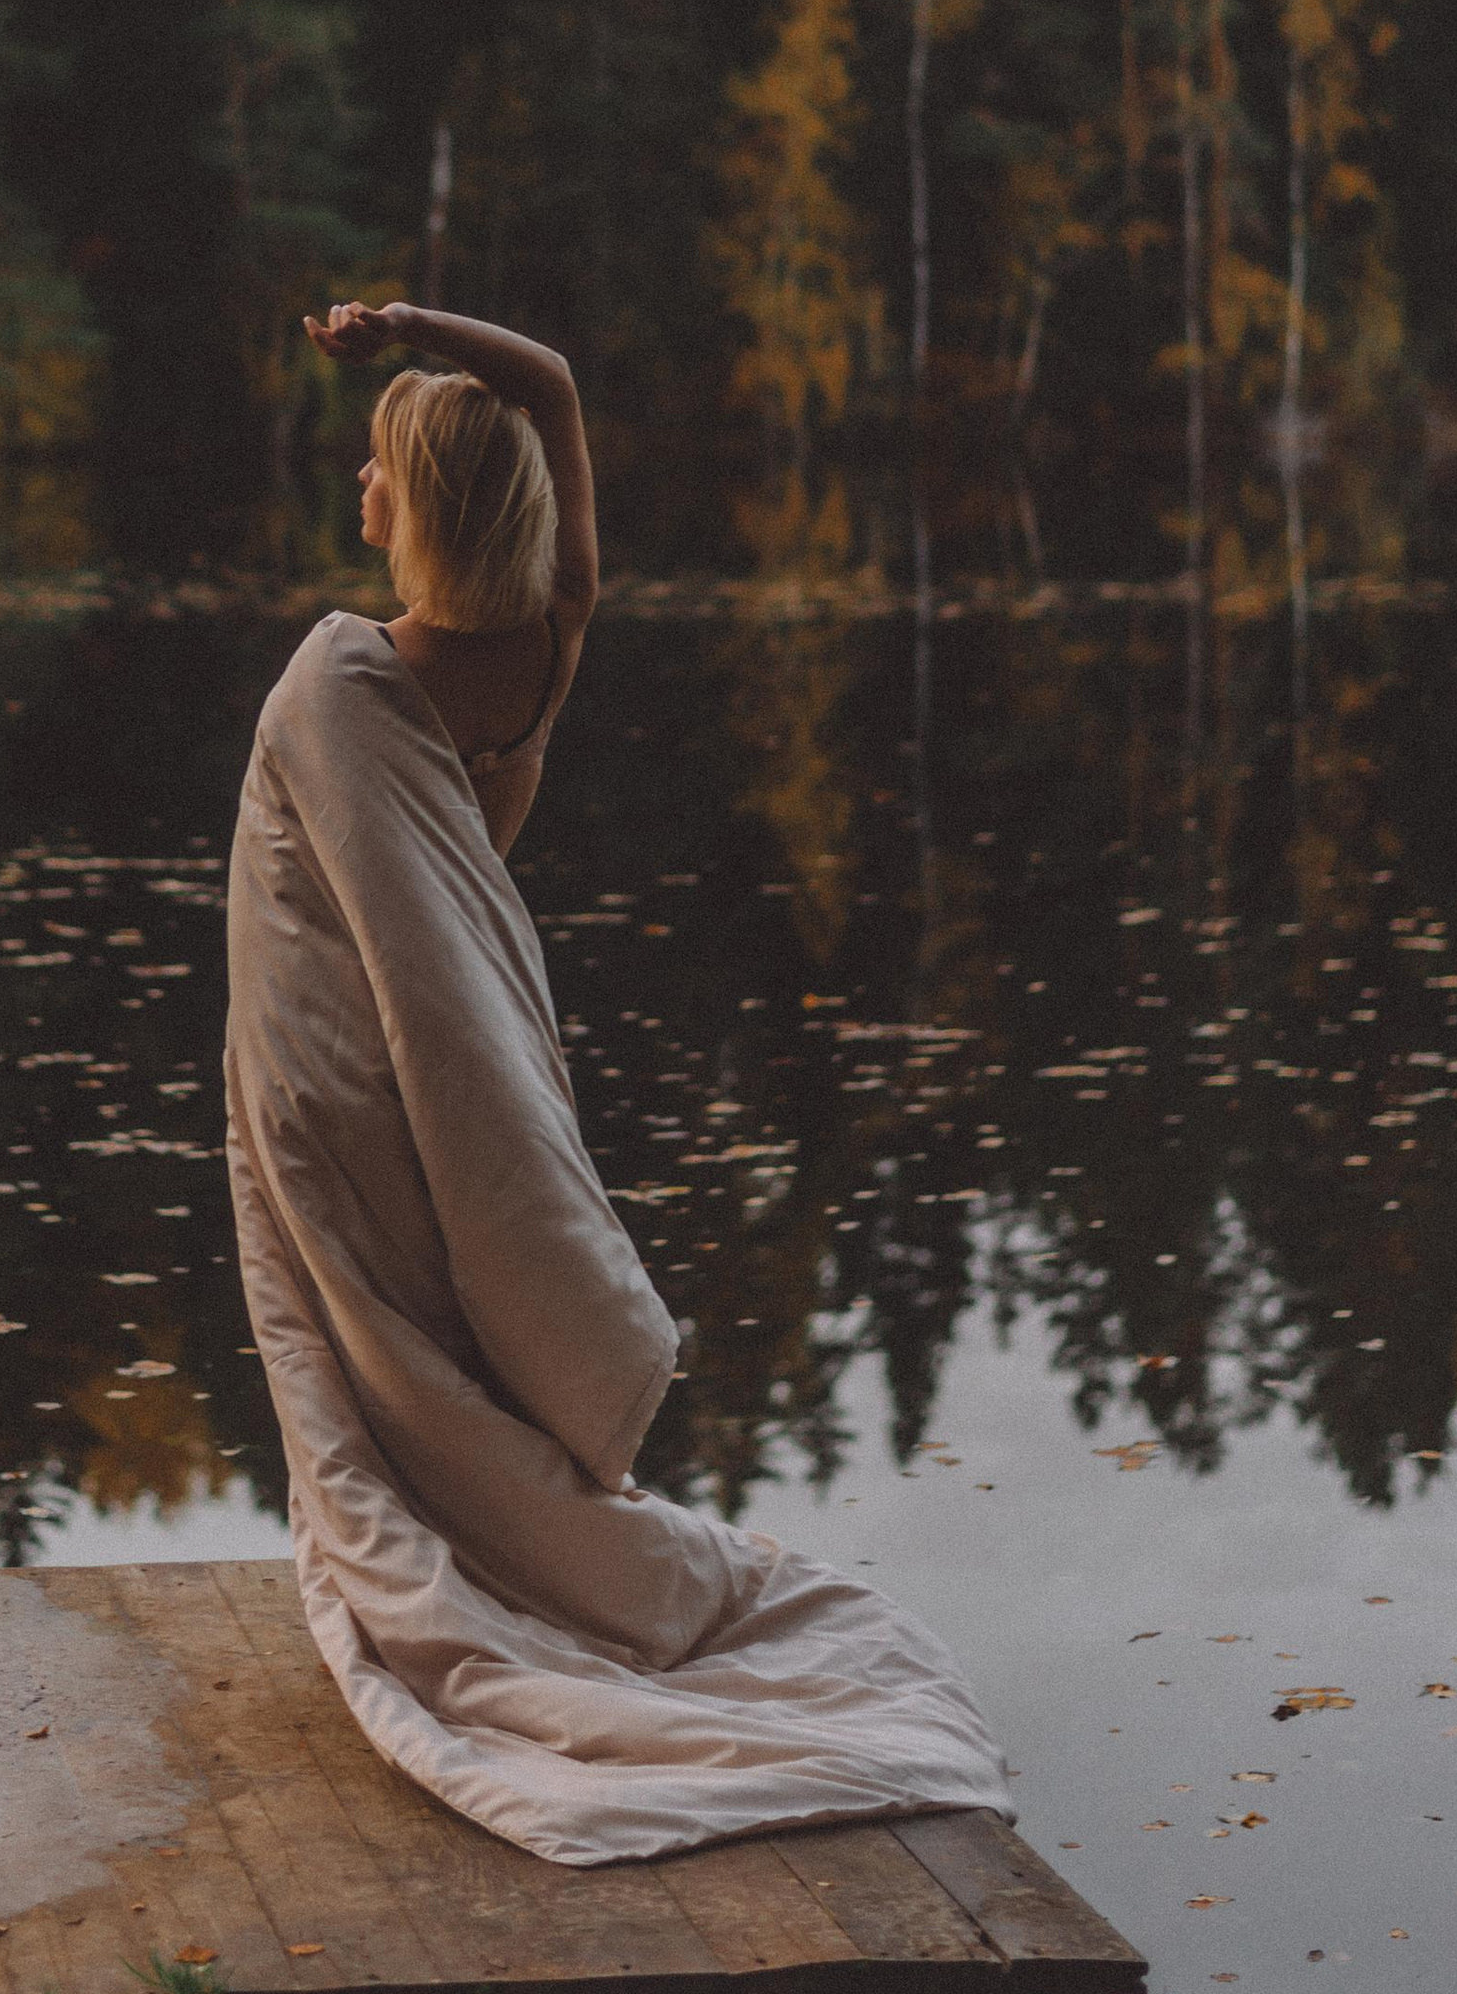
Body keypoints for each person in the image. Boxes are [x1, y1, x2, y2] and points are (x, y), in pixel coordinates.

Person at [223, 298, 1009, 1866]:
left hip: (341, 1077)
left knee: (372, 1357)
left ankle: (456, 1567)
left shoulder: (336, 680)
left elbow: (297, 919)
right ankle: (508, 1544)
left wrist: (393, 327)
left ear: (425, 503)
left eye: (376, 473)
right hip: (445, 1060)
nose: (357, 496)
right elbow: (561, 385)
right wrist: (410, 328)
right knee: (441, 1356)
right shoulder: (541, 644)